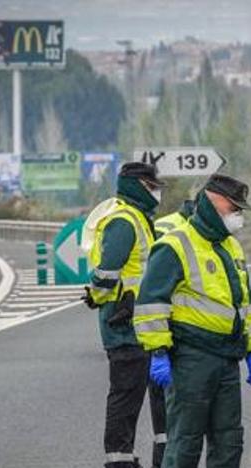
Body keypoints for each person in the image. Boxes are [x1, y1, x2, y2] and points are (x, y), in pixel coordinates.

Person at [133, 174, 251, 468]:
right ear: (214, 203)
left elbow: (246, 302)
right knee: (185, 441)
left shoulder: (231, 247)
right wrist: (158, 352)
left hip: (227, 357)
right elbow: (151, 304)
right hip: (191, 358)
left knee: (229, 440)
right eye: (235, 209)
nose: (239, 216)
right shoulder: (174, 245)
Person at [83, 162, 169, 468]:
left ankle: (141, 459)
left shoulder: (138, 219)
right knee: (125, 398)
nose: (157, 192)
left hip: (139, 324)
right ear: (137, 186)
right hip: (124, 325)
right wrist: (98, 295)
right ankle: (119, 462)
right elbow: (107, 272)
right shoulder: (124, 221)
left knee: (143, 398)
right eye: (152, 186)